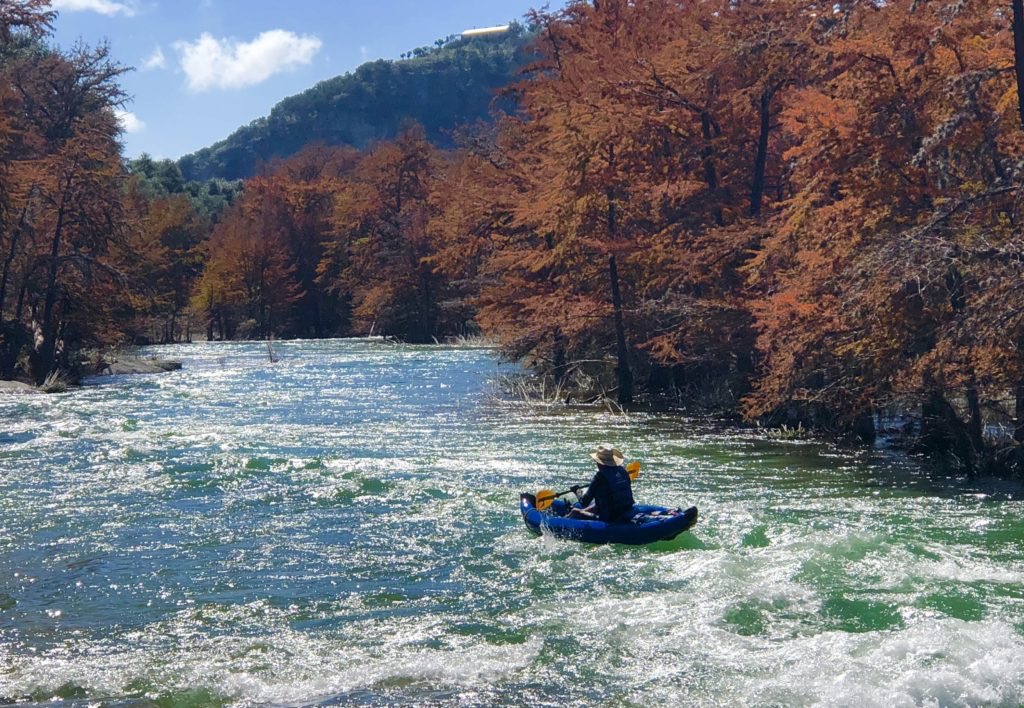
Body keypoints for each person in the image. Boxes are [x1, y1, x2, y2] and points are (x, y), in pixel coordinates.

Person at [568, 443, 635, 522]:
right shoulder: (623, 471)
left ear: (599, 463)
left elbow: (584, 502)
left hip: (610, 519)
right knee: (597, 504)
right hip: (627, 511)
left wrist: (577, 491)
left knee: (574, 512)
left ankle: (560, 523)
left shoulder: (599, 477)